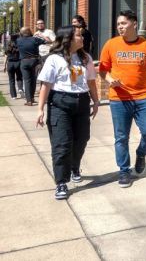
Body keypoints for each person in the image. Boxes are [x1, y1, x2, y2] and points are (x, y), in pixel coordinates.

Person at [99, 10, 146, 188]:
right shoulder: (111, 44)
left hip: (143, 97)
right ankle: (124, 171)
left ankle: (141, 153)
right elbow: (102, 70)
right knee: (121, 137)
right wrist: (110, 81)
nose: (120, 27)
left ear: (134, 24)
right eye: (118, 24)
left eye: (123, 23)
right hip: (119, 99)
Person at [35, 26, 99, 200]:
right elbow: (46, 85)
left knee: (82, 139)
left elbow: (92, 81)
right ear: (68, 39)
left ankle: (74, 166)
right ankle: (61, 182)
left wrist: (96, 101)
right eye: (79, 36)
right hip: (60, 104)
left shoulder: (86, 58)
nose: (82, 38)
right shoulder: (54, 59)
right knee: (62, 144)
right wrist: (40, 109)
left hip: (82, 103)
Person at [17, 27, 44, 106]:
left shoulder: (18, 40)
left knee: (27, 81)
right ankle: (32, 98)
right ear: (29, 32)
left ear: (21, 33)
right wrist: (41, 36)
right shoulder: (35, 39)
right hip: (34, 61)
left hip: (24, 62)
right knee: (33, 80)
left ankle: (29, 100)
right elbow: (48, 41)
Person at [3, 34, 24, 100]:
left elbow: (5, 57)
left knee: (11, 80)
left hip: (10, 64)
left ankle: (13, 96)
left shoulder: (8, 47)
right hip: (18, 63)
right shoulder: (20, 46)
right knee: (19, 78)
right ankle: (20, 88)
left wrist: (4, 66)